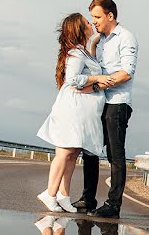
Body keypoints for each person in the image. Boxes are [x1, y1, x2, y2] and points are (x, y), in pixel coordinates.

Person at [35, 13, 114, 213]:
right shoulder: (76, 53)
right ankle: (50, 193)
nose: (91, 23)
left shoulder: (84, 52)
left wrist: (97, 39)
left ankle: (64, 196)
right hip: (73, 110)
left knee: (73, 154)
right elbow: (72, 79)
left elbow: (89, 65)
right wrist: (97, 78)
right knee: (65, 152)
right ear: (80, 29)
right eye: (88, 22)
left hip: (82, 112)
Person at [74, 0, 138, 219]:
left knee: (115, 154)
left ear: (110, 16)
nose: (94, 21)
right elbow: (92, 67)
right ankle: (88, 198)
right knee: (90, 149)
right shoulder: (98, 40)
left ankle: (113, 204)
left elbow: (127, 71)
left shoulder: (126, 38)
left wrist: (102, 81)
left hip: (117, 103)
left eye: (98, 17)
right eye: (92, 17)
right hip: (98, 101)